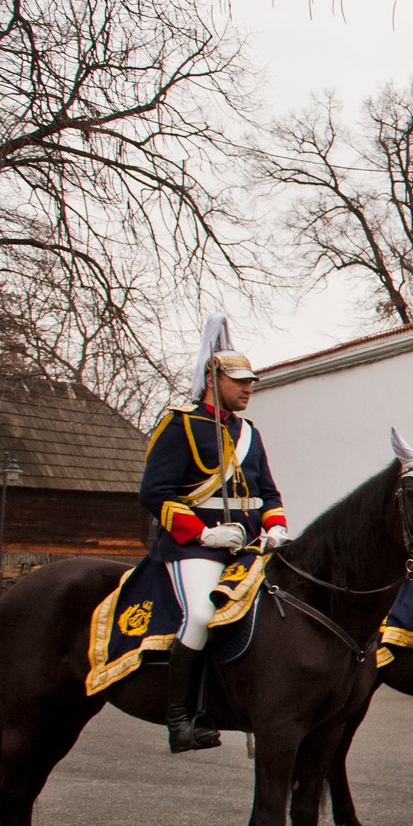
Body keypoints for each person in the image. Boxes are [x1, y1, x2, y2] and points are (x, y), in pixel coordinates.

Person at [141, 313, 288, 753]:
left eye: (250, 382)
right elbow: (155, 492)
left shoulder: (249, 433)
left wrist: (276, 526)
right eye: (239, 381)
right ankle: (180, 719)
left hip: (247, 544)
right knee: (202, 618)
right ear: (212, 378)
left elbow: (267, 491)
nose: (248, 389)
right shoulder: (180, 422)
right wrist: (204, 535)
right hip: (193, 549)